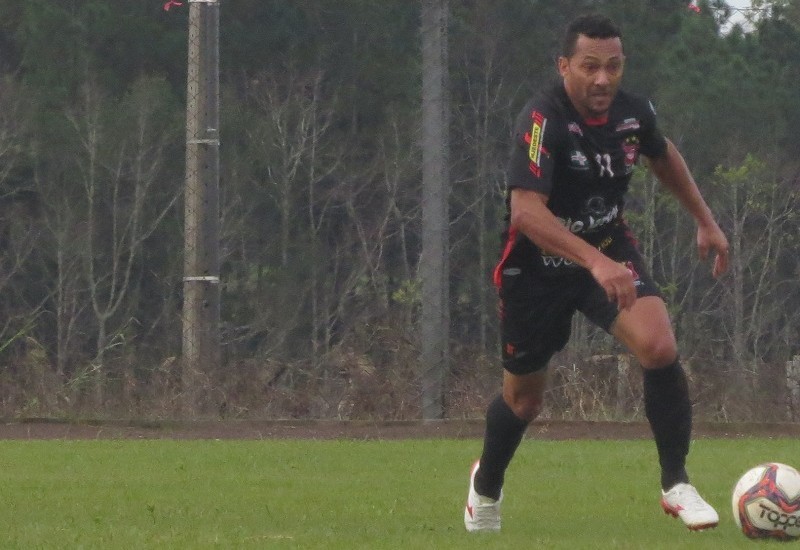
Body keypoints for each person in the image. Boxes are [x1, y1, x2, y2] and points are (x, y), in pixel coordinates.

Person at [464, 13, 729, 533]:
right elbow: (526, 212)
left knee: (658, 346)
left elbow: (661, 153)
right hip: (536, 267)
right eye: (590, 67)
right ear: (565, 65)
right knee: (524, 400)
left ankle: (676, 484)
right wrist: (594, 260)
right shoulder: (542, 119)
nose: (603, 79)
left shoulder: (634, 113)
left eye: (613, 66)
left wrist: (706, 221)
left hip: (607, 246)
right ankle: (485, 487)